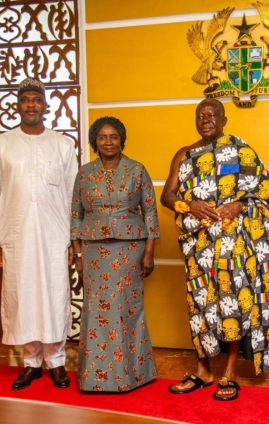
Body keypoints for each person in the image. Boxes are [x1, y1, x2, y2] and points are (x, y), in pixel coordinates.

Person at [161, 98, 269, 401]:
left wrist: (240, 205)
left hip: (234, 245)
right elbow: (166, 195)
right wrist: (189, 205)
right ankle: (203, 370)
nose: (206, 120)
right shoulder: (184, 154)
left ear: (224, 120)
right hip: (199, 246)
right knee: (199, 304)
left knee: (232, 305)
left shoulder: (243, 152)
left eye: (212, 115)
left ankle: (229, 372)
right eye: (200, 115)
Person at [0, 77, 78, 390]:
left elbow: (73, 195)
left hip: (55, 235)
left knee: (54, 293)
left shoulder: (63, 145)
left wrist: (74, 239)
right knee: (21, 294)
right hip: (16, 234)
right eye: (25, 100)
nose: (31, 105)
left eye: (36, 99)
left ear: (45, 105)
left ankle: (56, 361)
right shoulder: (1, 145)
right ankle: (31, 363)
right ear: (18, 105)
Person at [71, 116, 160, 392]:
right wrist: (78, 255)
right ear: (94, 142)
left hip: (129, 250)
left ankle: (132, 375)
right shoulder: (84, 173)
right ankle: (94, 377)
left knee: (126, 310)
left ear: (122, 140)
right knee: (95, 311)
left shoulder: (137, 170)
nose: (108, 142)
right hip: (93, 252)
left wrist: (149, 252)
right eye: (102, 137)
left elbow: (150, 212)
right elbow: (76, 215)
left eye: (113, 136)